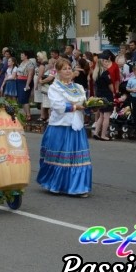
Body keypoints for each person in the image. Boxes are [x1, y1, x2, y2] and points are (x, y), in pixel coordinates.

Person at [36, 58, 92, 196]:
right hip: (60, 125)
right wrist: (75, 107)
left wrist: (90, 107)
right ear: (58, 72)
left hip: (76, 125)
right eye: (64, 69)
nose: (68, 71)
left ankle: (79, 187)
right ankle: (56, 183)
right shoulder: (54, 87)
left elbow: (85, 103)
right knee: (61, 157)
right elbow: (57, 106)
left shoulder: (78, 87)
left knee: (77, 158)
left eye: (69, 68)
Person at [92, 54, 115, 140]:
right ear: (102, 64)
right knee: (106, 116)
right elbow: (110, 86)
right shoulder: (106, 73)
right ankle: (103, 135)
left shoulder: (96, 74)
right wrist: (115, 93)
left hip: (99, 95)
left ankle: (96, 133)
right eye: (105, 62)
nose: (107, 63)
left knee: (101, 115)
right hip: (107, 96)